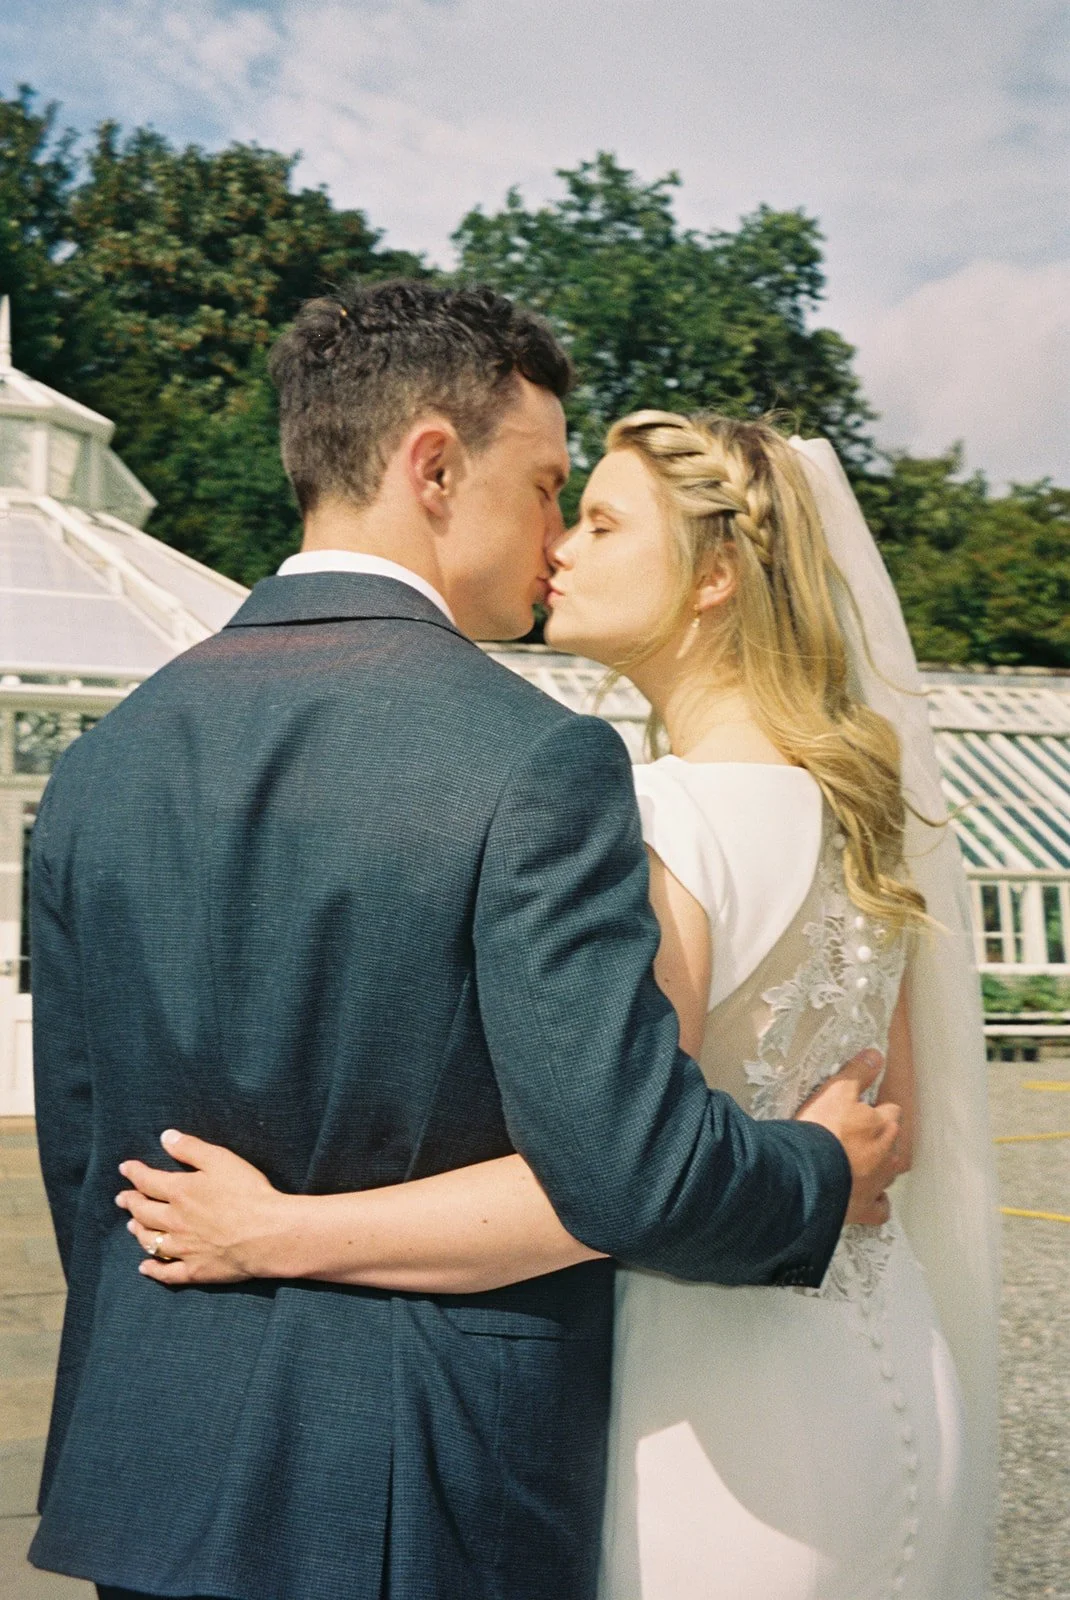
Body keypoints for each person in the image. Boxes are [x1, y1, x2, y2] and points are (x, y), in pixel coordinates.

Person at [29, 283, 899, 1600]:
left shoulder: (101, 765)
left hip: (146, 1475)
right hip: (418, 1490)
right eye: (548, 483)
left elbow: (83, 1156)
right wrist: (817, 1177)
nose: (552, 532)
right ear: (434, 465)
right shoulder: (531, 759)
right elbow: (628, 1173)